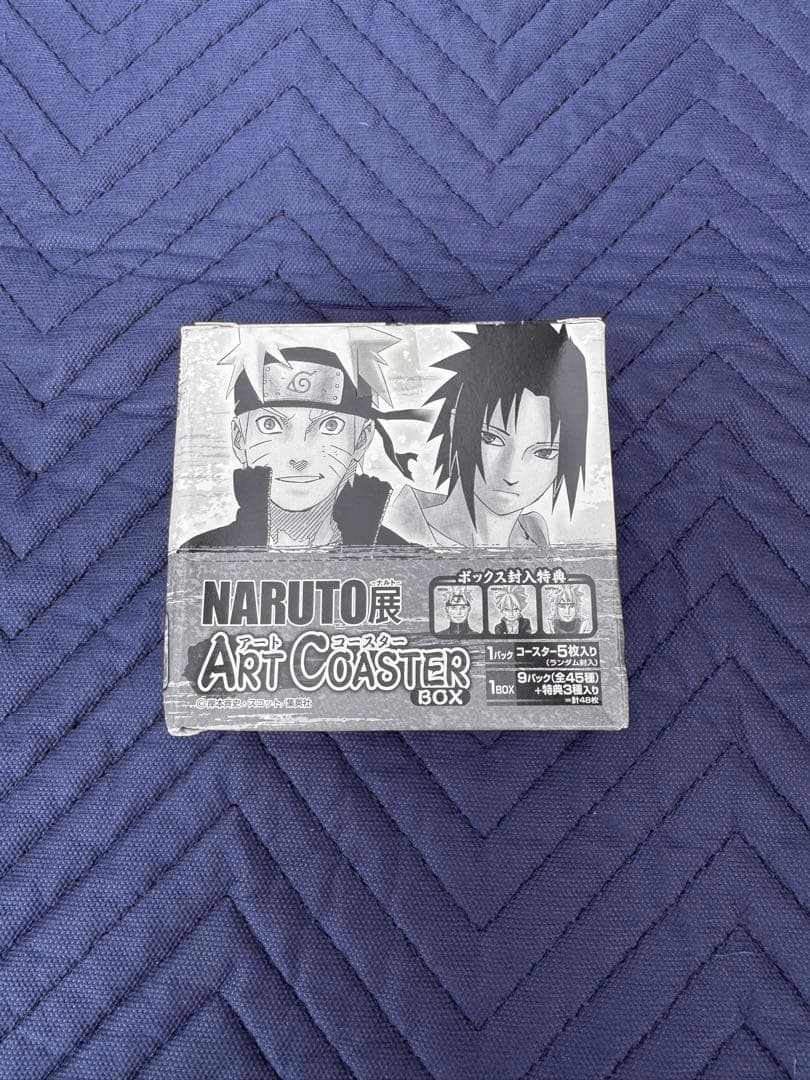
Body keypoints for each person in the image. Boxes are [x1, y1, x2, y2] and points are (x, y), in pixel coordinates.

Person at [182, 326, 426, 549]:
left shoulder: (409, 560)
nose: (298, 456)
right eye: (270, 425)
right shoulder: (199, 554)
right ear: (238, 439)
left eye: (330, 425)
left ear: (362, 439)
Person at [384, 322, 588, 549]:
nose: (511, 474)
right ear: (455, 424)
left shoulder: (535, 534)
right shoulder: (393, 531)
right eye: (492, 439)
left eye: (544, 452)